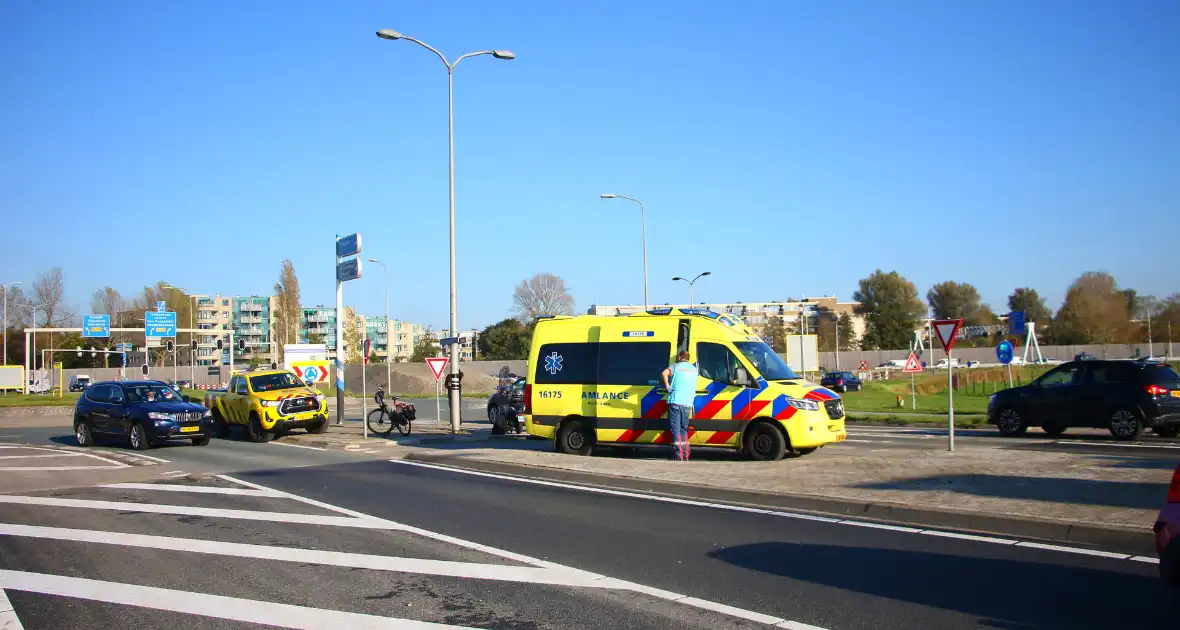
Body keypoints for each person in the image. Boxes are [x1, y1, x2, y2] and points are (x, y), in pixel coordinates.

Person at [662, 350, 699, 462]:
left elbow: (664, 373)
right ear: (688, 358)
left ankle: (679, 455)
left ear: (679, 357)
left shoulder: (675, 366)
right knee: (684, 429)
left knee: (676, 429)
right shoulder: (694, 369)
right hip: (687, 403)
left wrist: (668, 386)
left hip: (676, 401)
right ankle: (686, 453)